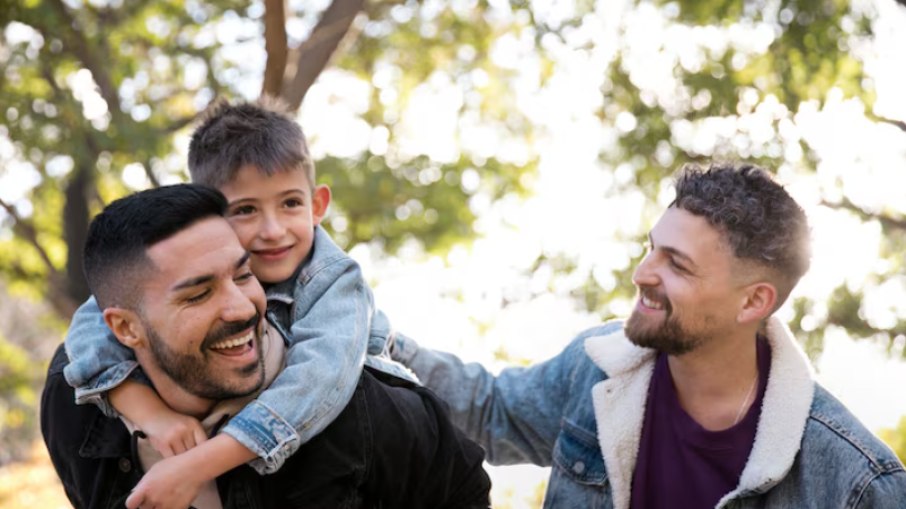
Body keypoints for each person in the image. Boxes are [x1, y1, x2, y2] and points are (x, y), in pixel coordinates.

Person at [390, 163, 906, 508]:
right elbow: (489, 410)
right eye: (652, 247)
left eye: (676, 265)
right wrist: (372, 337)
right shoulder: (597, 367)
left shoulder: (855, 483)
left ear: (754, 301)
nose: (642, 273)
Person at [58, 99, 436, 508]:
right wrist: (150, 414)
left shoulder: (335, 281)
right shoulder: (173, 272)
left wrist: (199, 465)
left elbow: (319, 382)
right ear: (210, 217)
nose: (273, 231)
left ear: (317, 205)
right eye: (246, 210)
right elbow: (93, 325)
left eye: (290, 203)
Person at [41, 184, 491, 509]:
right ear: (124, 329)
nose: (242, 309)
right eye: (198, 294)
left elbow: (463, 491)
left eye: (243, 275)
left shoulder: (370, 412)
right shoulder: (74, 409)